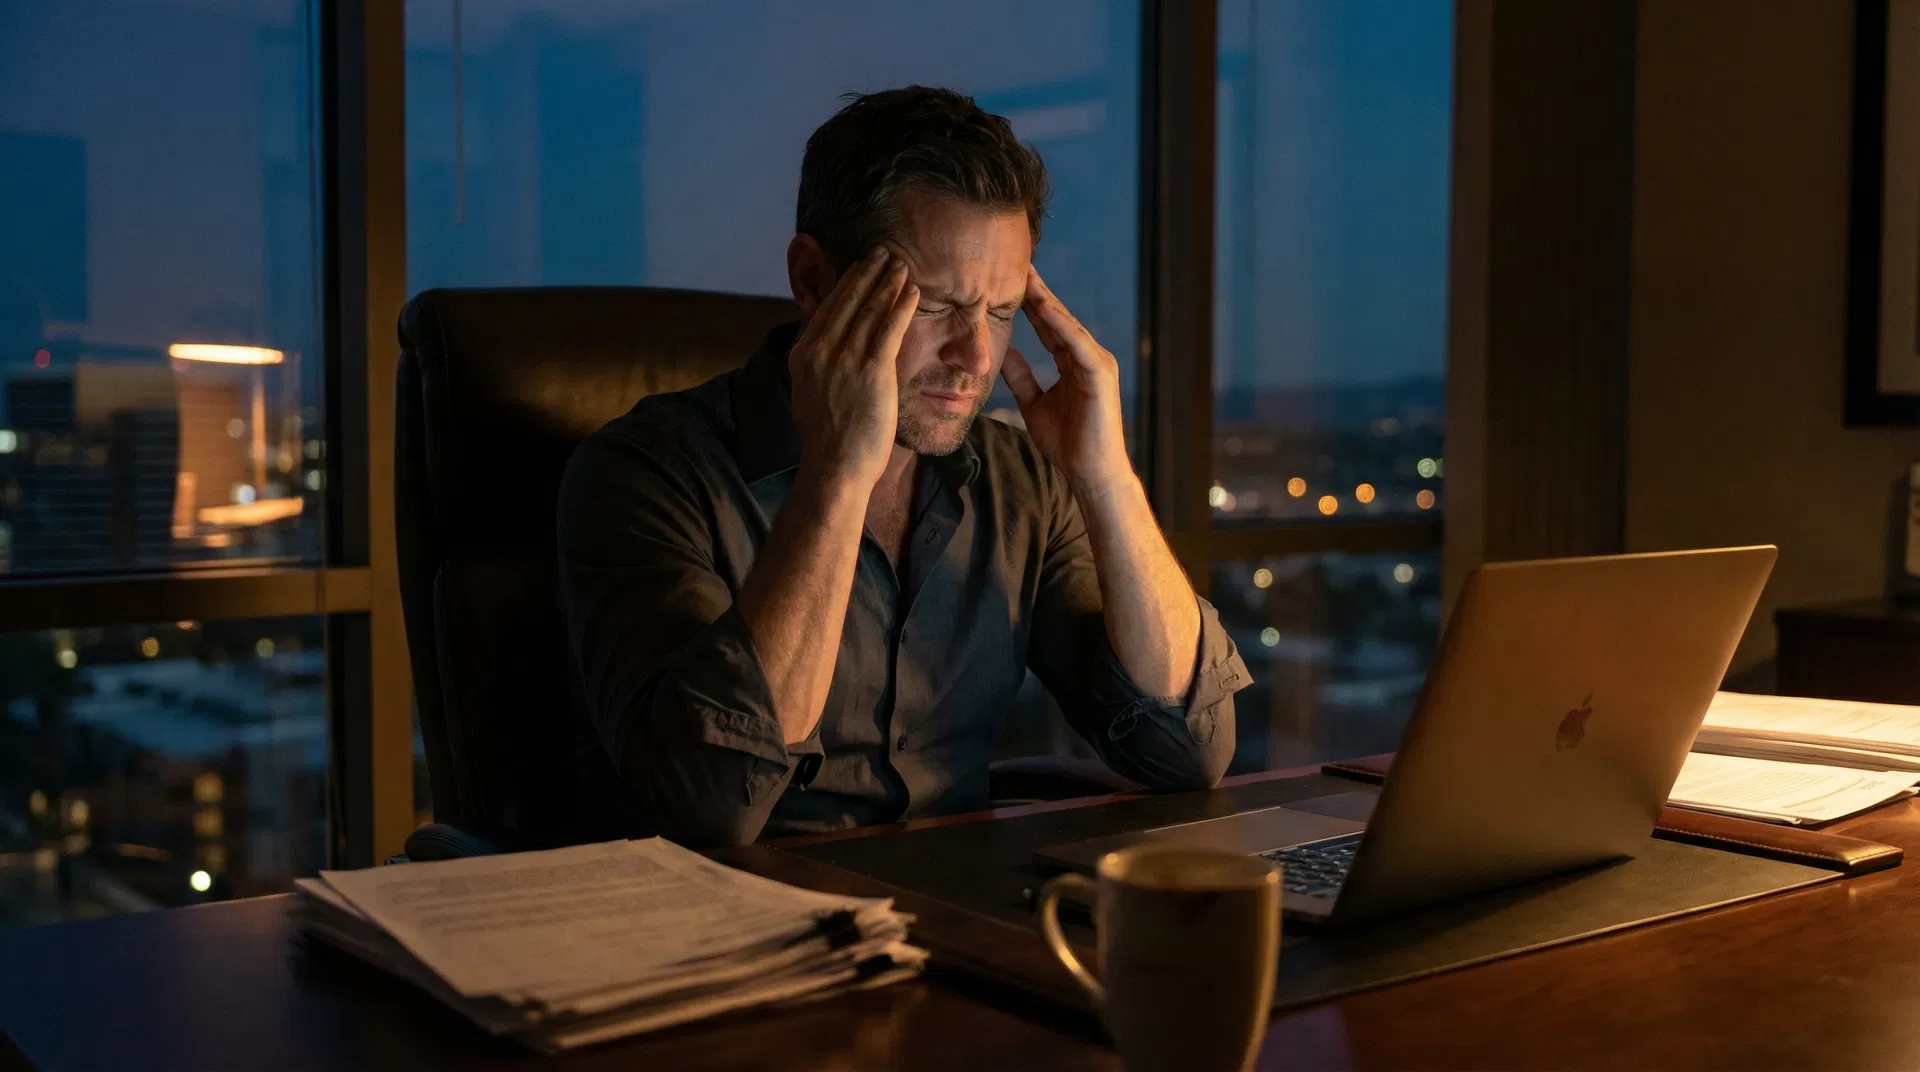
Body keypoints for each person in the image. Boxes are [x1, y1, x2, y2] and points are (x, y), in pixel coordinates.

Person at [557, 86, 1249, 848]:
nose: (976, 359)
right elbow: (711, 805)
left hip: (961, 914)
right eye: (936, 305)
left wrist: (1107, 479)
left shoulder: (1020, 482)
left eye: (999, 311)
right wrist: (836, 476)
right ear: (816, 280)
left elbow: (1187, 750)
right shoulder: (646, 474)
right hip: (734, 929)